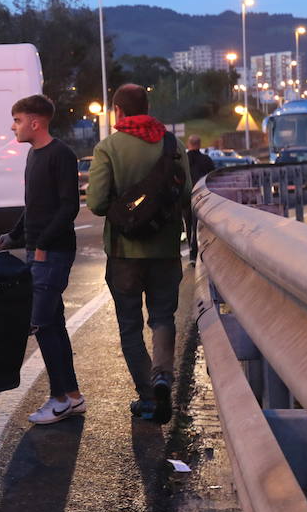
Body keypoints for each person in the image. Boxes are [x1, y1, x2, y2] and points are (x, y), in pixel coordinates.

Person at [86, 84, 192, 425]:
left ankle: (148, 397)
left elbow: (97, 203)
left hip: (124, 253)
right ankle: (163, 375)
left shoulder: (108, 147)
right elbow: (187, 193)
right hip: (164, 251)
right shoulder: (172, 145)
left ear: (118, 110)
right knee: (163, 317)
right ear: (147, 107)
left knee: (129, 326)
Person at [0, 94, 85, 426]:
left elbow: (68, 207)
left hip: (54, 252)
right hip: (37, 250)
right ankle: (72, 396)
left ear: (35, 122)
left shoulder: (60, 155)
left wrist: (44, 244)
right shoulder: (33, 155)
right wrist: (14, 234)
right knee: (54, 324)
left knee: (42, 323)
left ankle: (59, 399)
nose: (13, 126)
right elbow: (33, 205)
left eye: (17, 120)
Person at [183, 135, 216, 266]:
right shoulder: (206, 160)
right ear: (200, 144)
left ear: (188, 144)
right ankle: (197, 252)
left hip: (186, 197)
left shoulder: (184, 160)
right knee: (199, 225)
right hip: (202, 197)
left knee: (188, 223)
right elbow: (212, 178)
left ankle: (191, 254)